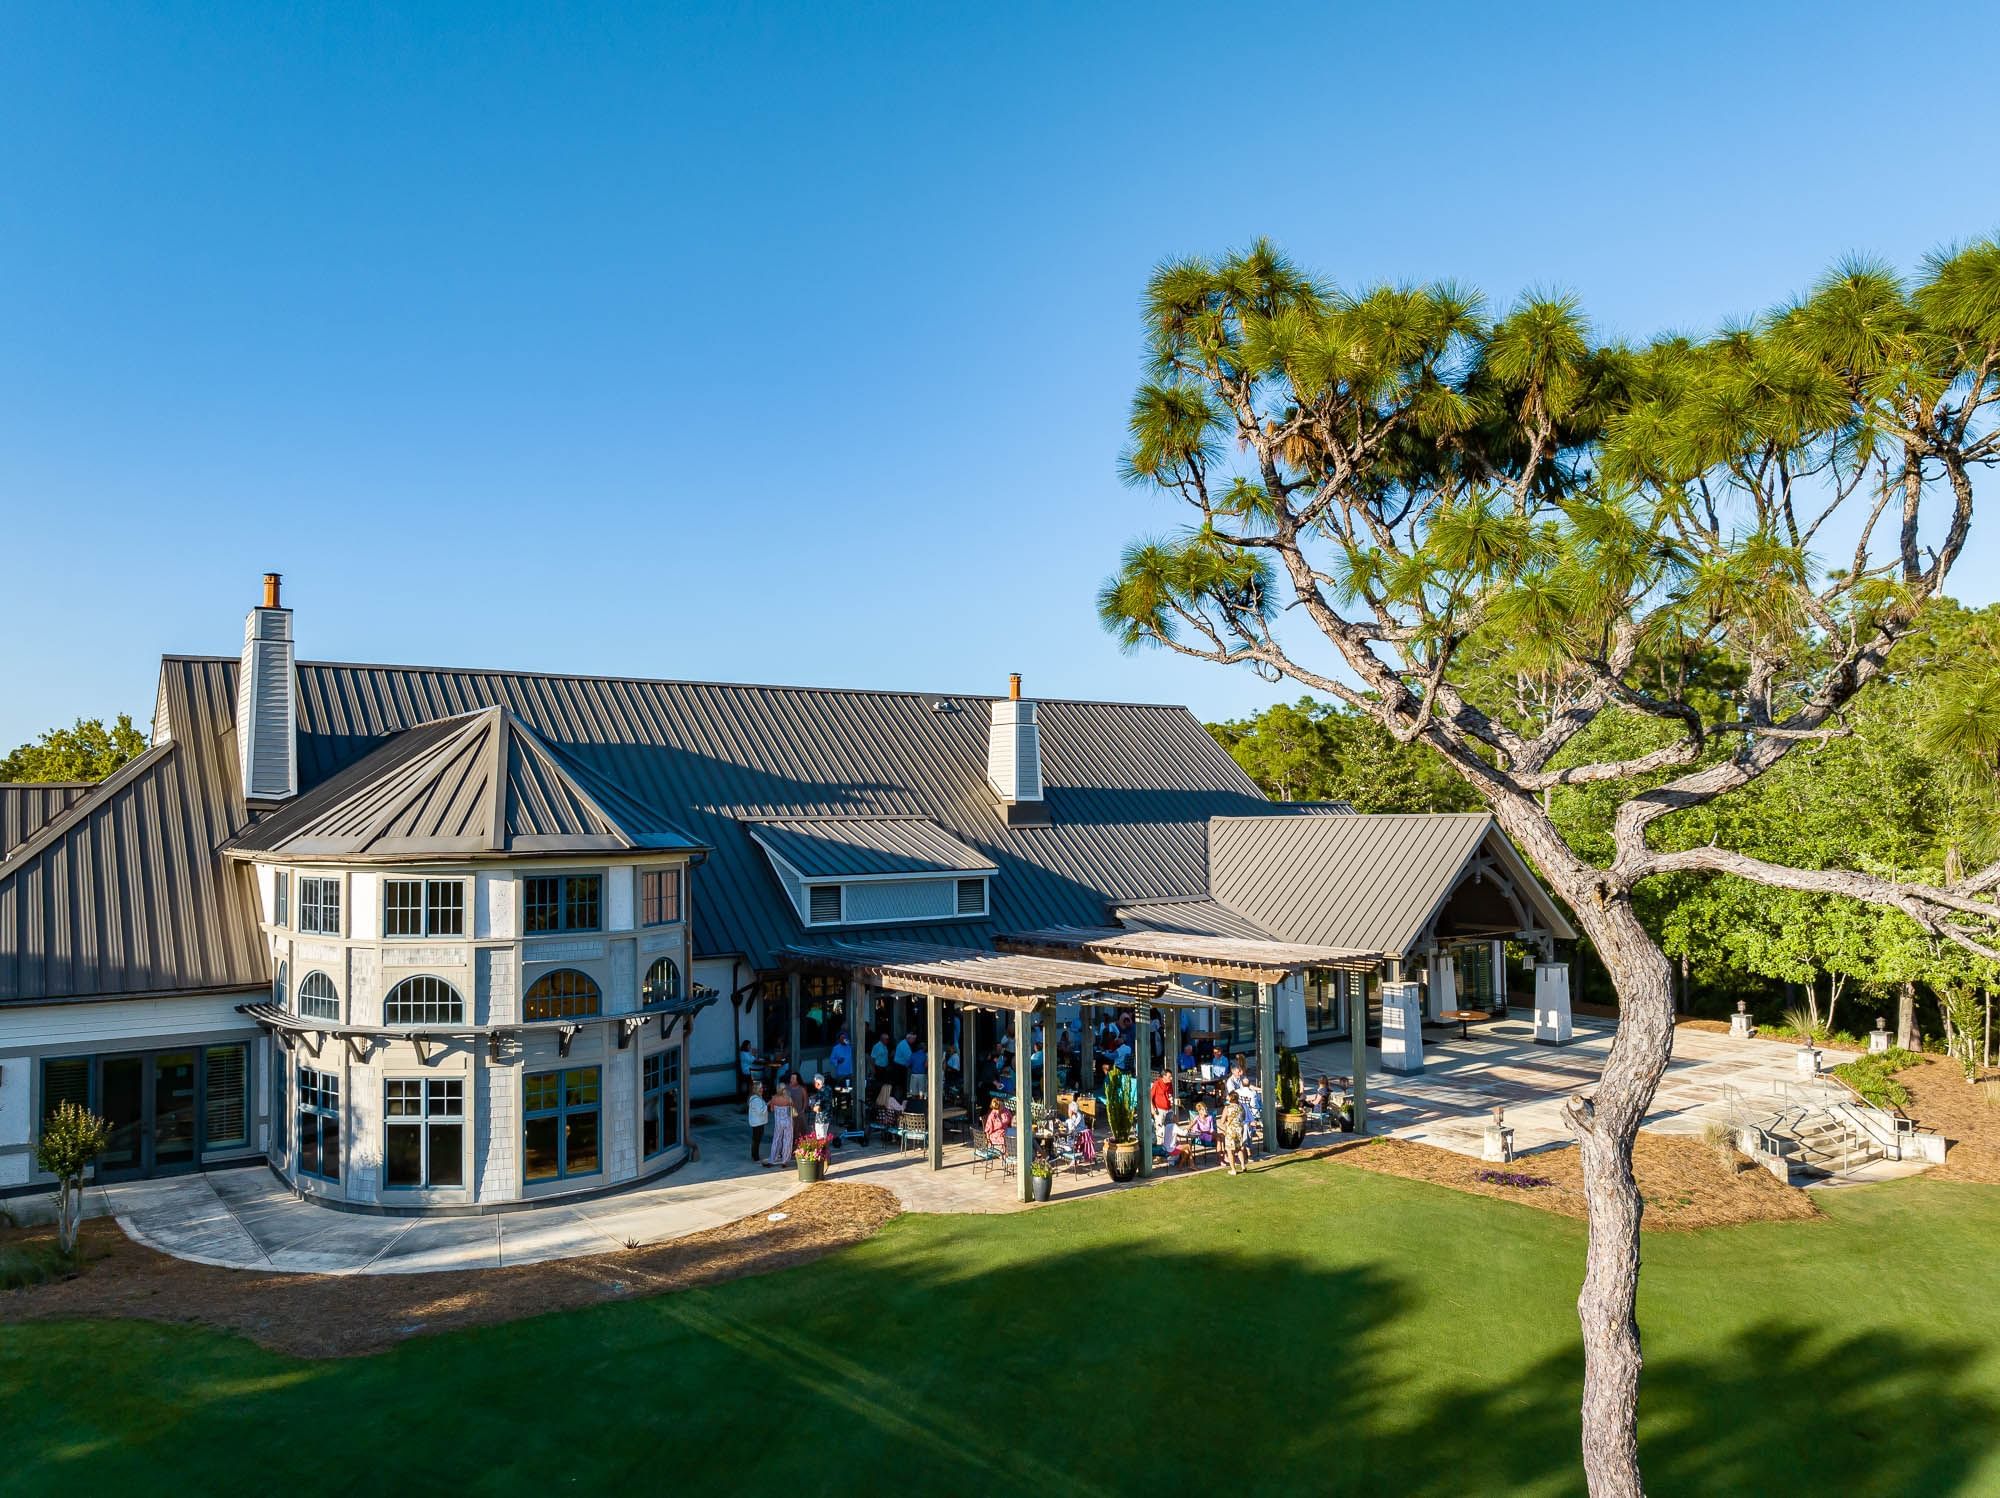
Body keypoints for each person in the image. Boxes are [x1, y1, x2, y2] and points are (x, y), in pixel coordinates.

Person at [765, 1078, 796, 1167]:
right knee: (787, 1140)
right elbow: (792, 1109)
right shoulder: (788, 1099)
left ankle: (772, 1159)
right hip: (788, 1121)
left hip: (778, 1122)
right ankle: (784, 1160)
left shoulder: (774, 1098)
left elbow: (771, 1109)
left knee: (776, 1140)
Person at [1219, 1096, 1247, 1175]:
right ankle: (1243, 1165)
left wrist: (1226, 1123)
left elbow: (1222, 1121)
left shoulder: (1227, 1107)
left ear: (1231, 1099)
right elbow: (1244, 1117)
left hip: (1230, 1131)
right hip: (1239, 1130)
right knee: (1239, 1149)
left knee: (1230, 1150)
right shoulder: (1241, 1106)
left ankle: (1233, 1170)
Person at [1064, 1096, 1096, 1164]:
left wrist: (1067, 1122)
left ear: (1072, 1110)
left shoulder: (1078, 1116)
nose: (1068, 1111)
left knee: (1064, 1143)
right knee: (1067, 1139)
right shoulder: (1075, 1115)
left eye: (1069, 1109)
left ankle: (1073, 1157)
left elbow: (1072, 1128)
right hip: (1078, 1135)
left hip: (1079, 1137)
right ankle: (1073, 1156)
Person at [746, 1079, 769, 1162]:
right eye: (760, 1088)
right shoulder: (756, 1100)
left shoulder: (756, 1098)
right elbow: (761, 1111)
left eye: (762, 1087)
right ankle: (755, 1156)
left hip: (757, 1122)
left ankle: (754, 1155)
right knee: (756, 1139)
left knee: (756, 1139)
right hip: (758, 1123)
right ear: (756, 1089)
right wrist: (768, 1104)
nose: (762, 1089)